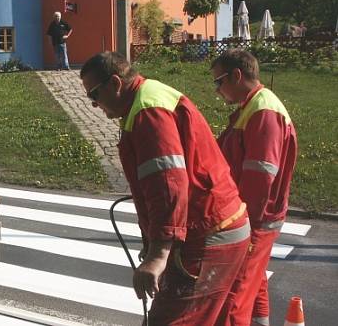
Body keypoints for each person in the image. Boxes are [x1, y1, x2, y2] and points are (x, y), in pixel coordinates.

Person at [80, 52, 250, 325]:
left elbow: (168, 183)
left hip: (209, 234)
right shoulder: (147, 99)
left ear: (115, 83)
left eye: (94, 95)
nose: (94, 105)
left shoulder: (148, 111)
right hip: (220, 227)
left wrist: (158, 254)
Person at [212, 49, 297, 326]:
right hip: (253, 217)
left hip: (253, 219)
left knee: (236, 291)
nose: (217, 91)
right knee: (255, 281)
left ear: (236, 75)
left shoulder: (263, 111)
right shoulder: (252, 107)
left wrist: (244, 225)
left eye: (219, 82)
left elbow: (260, 177)